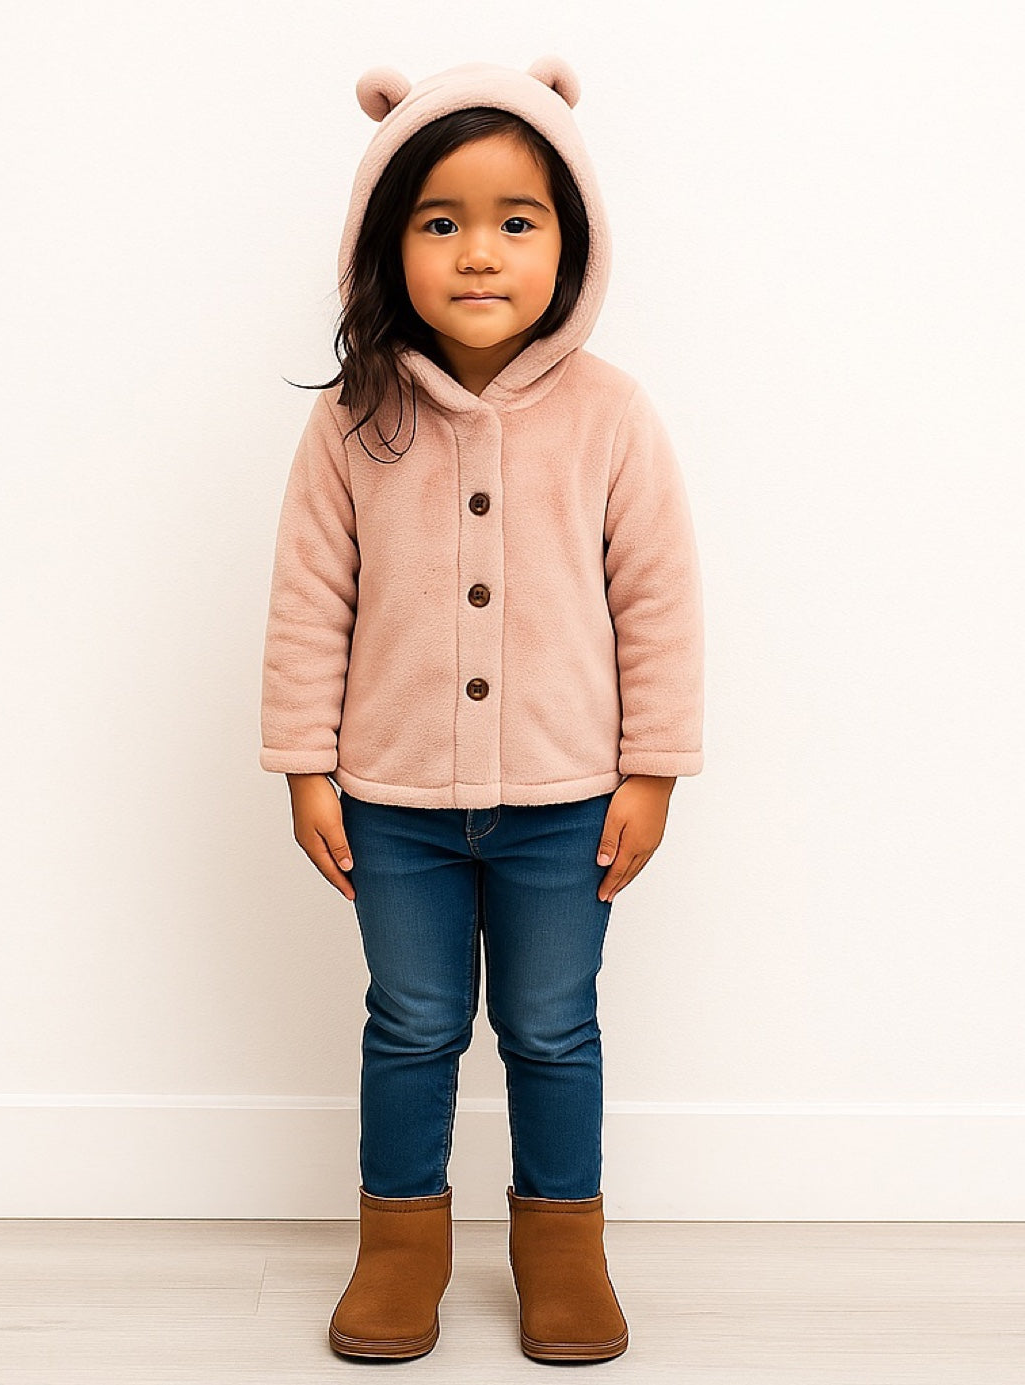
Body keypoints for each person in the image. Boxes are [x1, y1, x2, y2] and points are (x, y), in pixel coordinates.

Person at [259, 56, 705, 1364]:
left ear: (571, 243)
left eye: (519, 220)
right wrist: (305, 767)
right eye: (439, 220)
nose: (478, 253)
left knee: (553, 1026)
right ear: (381, 240)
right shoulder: (355, 418)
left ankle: (563, 1247)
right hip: (390, 802)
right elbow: (305, 601)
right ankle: (400, 1244)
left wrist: (652, 771)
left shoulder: (613, 416)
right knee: (412, 1020)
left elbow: (661, 601)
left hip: (566, 801)